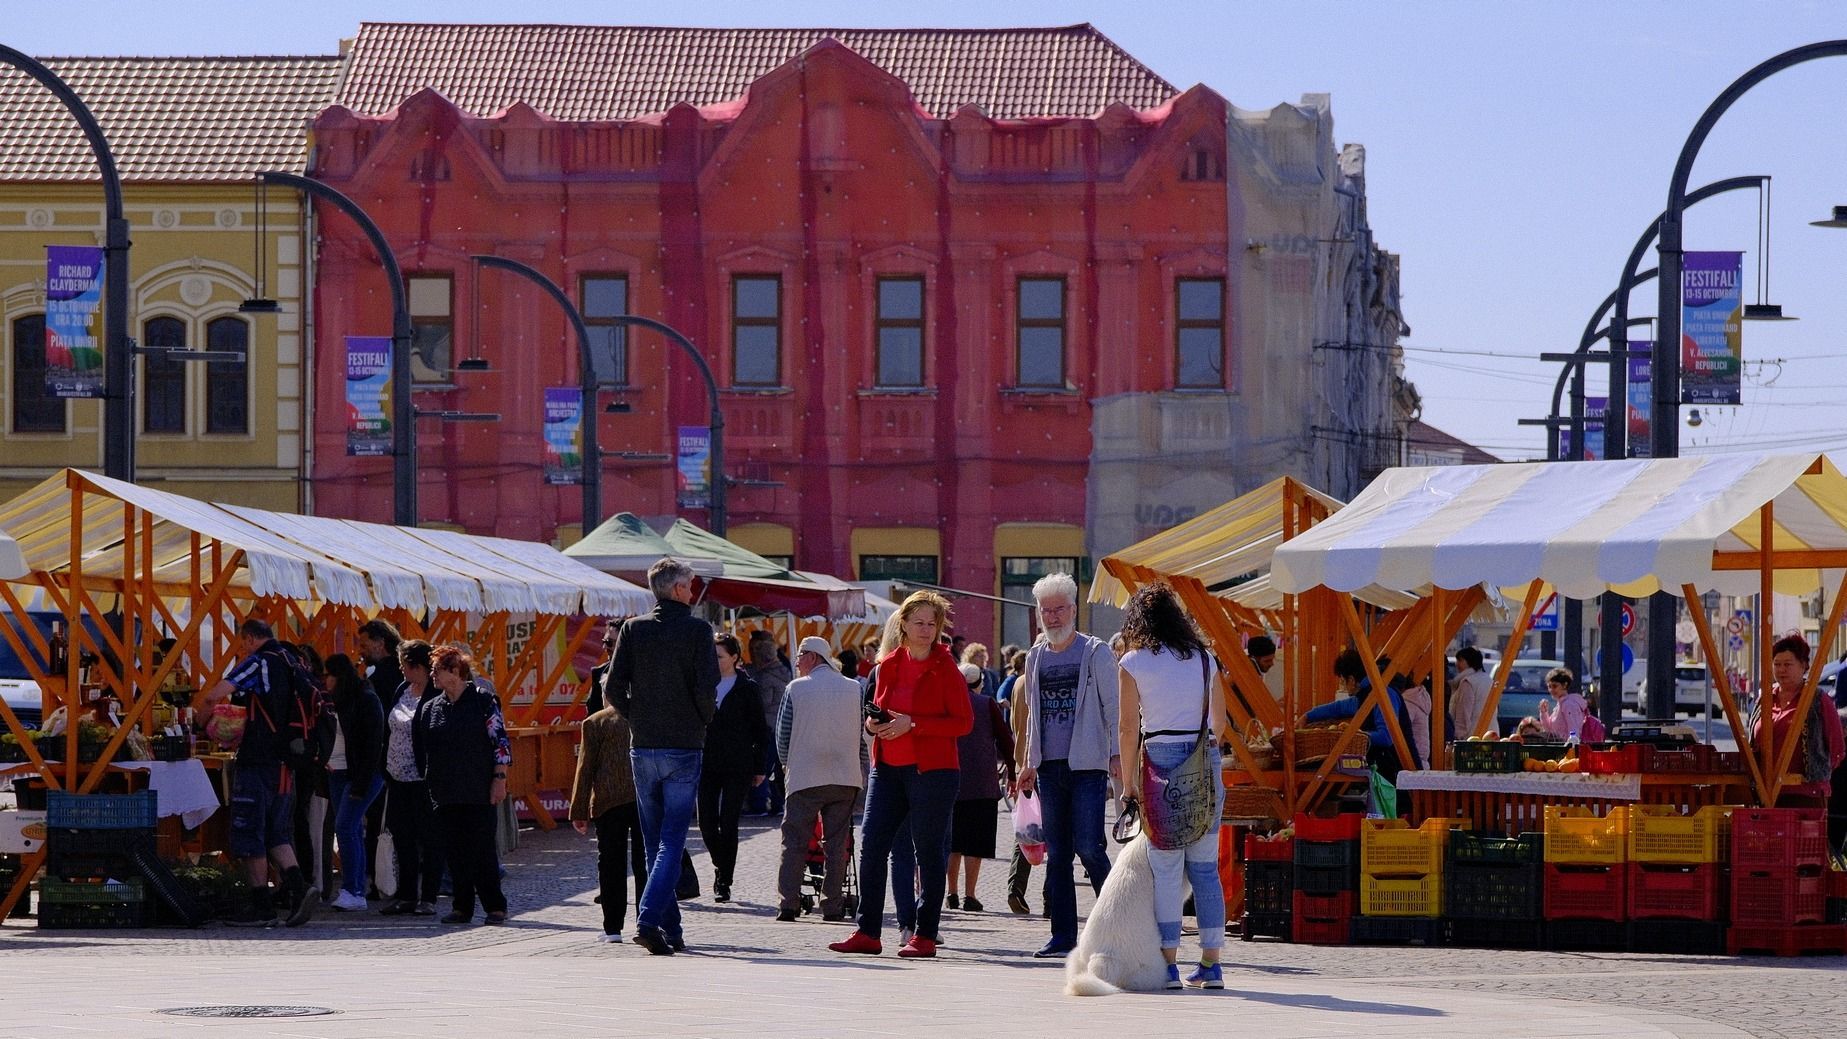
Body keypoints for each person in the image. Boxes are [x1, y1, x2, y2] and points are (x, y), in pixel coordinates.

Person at [829, 590, 972, 959]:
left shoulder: (947, 669)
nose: (926, 630)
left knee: (927, 851)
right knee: (872, 844)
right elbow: (874, 711)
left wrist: (914, 725)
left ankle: (925, 935)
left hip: (934, 772)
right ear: (903, 625)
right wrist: (873, 726)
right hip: (888, 768)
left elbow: (963, 722)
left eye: (932, 623)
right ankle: (868, 931)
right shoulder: (887, 665)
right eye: (919, 623)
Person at [1116, 581, 1228, 989]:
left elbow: (1129, 728)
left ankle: (1168, 966)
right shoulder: (1204, 659)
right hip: (1204, 762)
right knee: (1205, 870)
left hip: (1159, 760)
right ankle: (1212, 965)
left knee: (1166, 872)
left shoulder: (1133, 662)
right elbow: (1221, 723)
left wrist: (1128, 783)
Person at [608, 558, 719, 955]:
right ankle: (649, 918)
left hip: (644, 744)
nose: (693, 592)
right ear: (676, 590)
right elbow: (708, 686)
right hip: (684, 745)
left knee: (654, 841)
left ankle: (671, 929)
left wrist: (637, 718)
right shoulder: (696, 629)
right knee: (670, 841)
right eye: (690, 586)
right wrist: (703, 719)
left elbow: (613, 687)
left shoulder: (634, 629)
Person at [1013, 572, 1120, 959]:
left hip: (1088, 766)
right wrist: (1027, 762)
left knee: (1090, 847)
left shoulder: (1096, 653)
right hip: (1049, 768)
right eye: (1046, 611)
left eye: (1060, 609)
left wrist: (1117, 757)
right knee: (1057, 853)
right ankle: (1063, 937)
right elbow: (1031, 716)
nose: (1053, 617)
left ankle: (1115, 928)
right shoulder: (1035, 656)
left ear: (1074, 609)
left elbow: (1116, 709)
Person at [192, 618, 318, 927]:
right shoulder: (293, 661)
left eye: (242, 643)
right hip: (286, 762)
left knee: (250, 833)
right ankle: (299, 889)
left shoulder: (258, 661)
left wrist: (201, 721)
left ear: (249, 639)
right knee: (277, 832)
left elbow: (214, 695)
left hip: (257, 760)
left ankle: (261, 906)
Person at [414, 645, 512, 925]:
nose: (432, 675)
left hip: (479, 788)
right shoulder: (432, 707)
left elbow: (500, 743)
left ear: (455, 672)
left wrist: (499, 778)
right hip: (444, 791)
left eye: (437, 669)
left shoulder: (483, 701)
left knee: (481, 848)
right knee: (455, 852)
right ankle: (462, 906)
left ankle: (495, 906)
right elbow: (422, 748)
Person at [775, 636, 868, 922]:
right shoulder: (854, 688)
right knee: (837, 843)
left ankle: (788, 903)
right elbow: (862, 734)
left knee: (795, 841)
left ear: (814, 657)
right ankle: (832, 905)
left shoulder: (795, 688)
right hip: (844, 775)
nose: (797, 660)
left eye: (801, 654)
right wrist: (861, 766)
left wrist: (785, 765)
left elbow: (782, 736)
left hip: (805, 774)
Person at [570, 692, 647, 941]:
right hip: (644, 799)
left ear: (606, 694)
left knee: (611, 865)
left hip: (607, 802)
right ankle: (646, 922)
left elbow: (585, 769)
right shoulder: (645, 718)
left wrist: (579, 810)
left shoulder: (595, 722)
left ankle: (612, 928)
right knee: (643, 863)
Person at [701, 633, 769, 904]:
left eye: (719, 656)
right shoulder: (703, 684)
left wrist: (760, 766)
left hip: (737, 763)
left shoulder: (747, 687)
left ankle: (724, 879)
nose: (714, 661)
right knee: (706, 822)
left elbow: (759, 730)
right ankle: (721, 861)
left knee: (729, 822)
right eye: (712, 656)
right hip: (705, 761)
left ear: (734, 658)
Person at [380, 640, 441, 916]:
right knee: (402, 837)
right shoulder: (401, 690)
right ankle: (406, 895)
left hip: (423, 778)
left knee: (429, 839)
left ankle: (428, 897)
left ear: (417, 666)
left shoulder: (435, 693)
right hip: (397, 777)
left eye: (404, 665)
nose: (401, 670)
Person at [946, 661, 1013, 913]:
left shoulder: (948, 703)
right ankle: (969, 895)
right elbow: (1005, 740)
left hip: (951, 779)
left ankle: (951, 892)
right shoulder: (987, 705)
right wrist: (1013, 771)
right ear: (979, 684)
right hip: (982, 782)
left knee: (953, 841)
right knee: (975, 842)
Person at [1752, 634, 1846, 810]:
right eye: (1777, 664)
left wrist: (1817, 772)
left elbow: (1837, 750)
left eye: (1788, 664)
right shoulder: (1764, 699)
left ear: (1803, 666)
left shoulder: (1817, 699)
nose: (1781, 670)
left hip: (1805, 795)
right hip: (1765, 793)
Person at [322, 653, 384, 912]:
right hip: (337, 771)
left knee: (345, 827)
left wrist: (361, 783)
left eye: (327, 675)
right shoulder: (337, 701)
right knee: (352, 829)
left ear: (337, 676)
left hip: (361, 774)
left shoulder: (365, 699)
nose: (324, 680)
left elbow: (372, 745)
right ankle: (355, 888)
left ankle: (353, 890)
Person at [356, 618, 404, 894]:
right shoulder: (402, 674)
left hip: (382, 758)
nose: (361, 650)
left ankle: (380, 878)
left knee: (378, 821)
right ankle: (391, 877)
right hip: (400, 759)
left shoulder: (378, 678)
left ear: (380, 643)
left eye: (364, 644)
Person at [746, 629, 794, 816]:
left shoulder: (765, 677)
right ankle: (777, 804)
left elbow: (762, 703)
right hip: (779, 724)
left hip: (766, 725)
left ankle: (759, 805)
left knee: (762, 767)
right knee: (777, 768)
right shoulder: (784, 670)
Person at [1452, 647, 1497, 738]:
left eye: (1460, 660)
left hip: (1473, 738)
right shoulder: (1489, 680)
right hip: (1492, 734)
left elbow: (1463, 715)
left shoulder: (1468, 682)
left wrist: (1459, 737)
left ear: (1469, 662)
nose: (1456, 664)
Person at [1536, 667, 1589, 741]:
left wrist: (1570, 749)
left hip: (1567, 749)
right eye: (1549, 686)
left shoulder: (1569, 705)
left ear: (1564, 685)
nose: (1551, 690)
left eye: (1554, 686)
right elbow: (1549, 730)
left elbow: (1574, 730)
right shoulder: (1560, 704)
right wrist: (1544, 712)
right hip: (1559, 747)